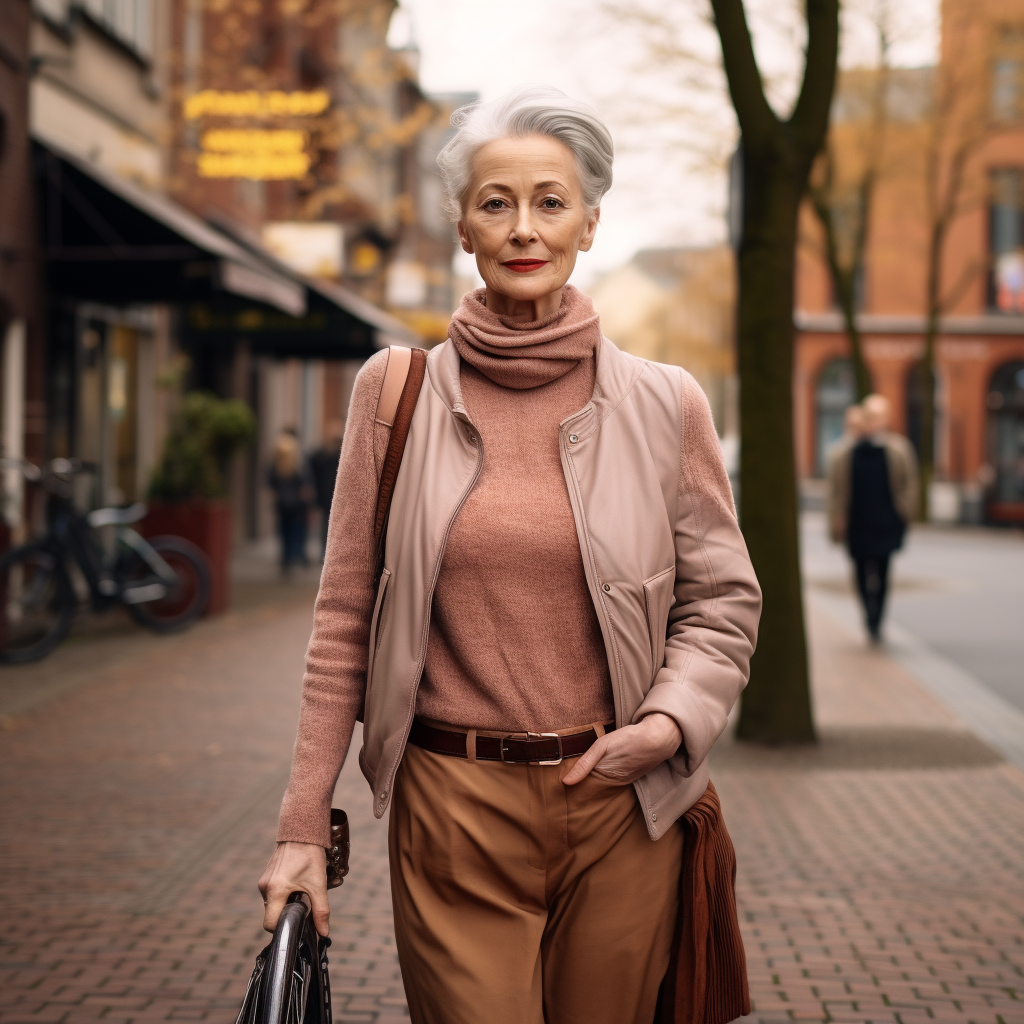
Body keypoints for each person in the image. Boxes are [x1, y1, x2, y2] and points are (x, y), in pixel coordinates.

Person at [259, 86, 762, 1024]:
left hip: (621, 804)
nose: (524, 227)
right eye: (497, 203)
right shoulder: (393, 392)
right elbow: (342, 622)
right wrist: (300, 826)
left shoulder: (667, 404)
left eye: (550, 202)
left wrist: (669, 724)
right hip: (453, 805)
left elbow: (722, 601)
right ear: (463, 227)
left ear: (590, 223)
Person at [828, 394, 918, 641]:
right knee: (859, 572)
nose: (873, 422)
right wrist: (837, 522)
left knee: (883, 571)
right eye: (870, 416)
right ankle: (868, 615)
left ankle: (877, 619)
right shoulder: (845, 453)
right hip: (858, 525)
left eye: (879, 417)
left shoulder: (898, 450)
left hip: (886, 524)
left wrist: (905, 512)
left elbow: (909, 483)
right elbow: (835, 493)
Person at [267, 428, 313, 575]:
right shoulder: (298, 461)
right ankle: (297, 556)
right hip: (297, 504)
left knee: (284, 531)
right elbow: (306, 482)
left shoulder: (276, 460)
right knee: (297, 530)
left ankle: (286, 559)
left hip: (282, 503)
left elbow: (270, 482)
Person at [307, 419, 344, 560]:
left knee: (335, 527)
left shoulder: (341, 454)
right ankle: (326, 553)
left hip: (337, 496)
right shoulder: (321, 455)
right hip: (325, 496)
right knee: (325, 526)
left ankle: (331, 554)